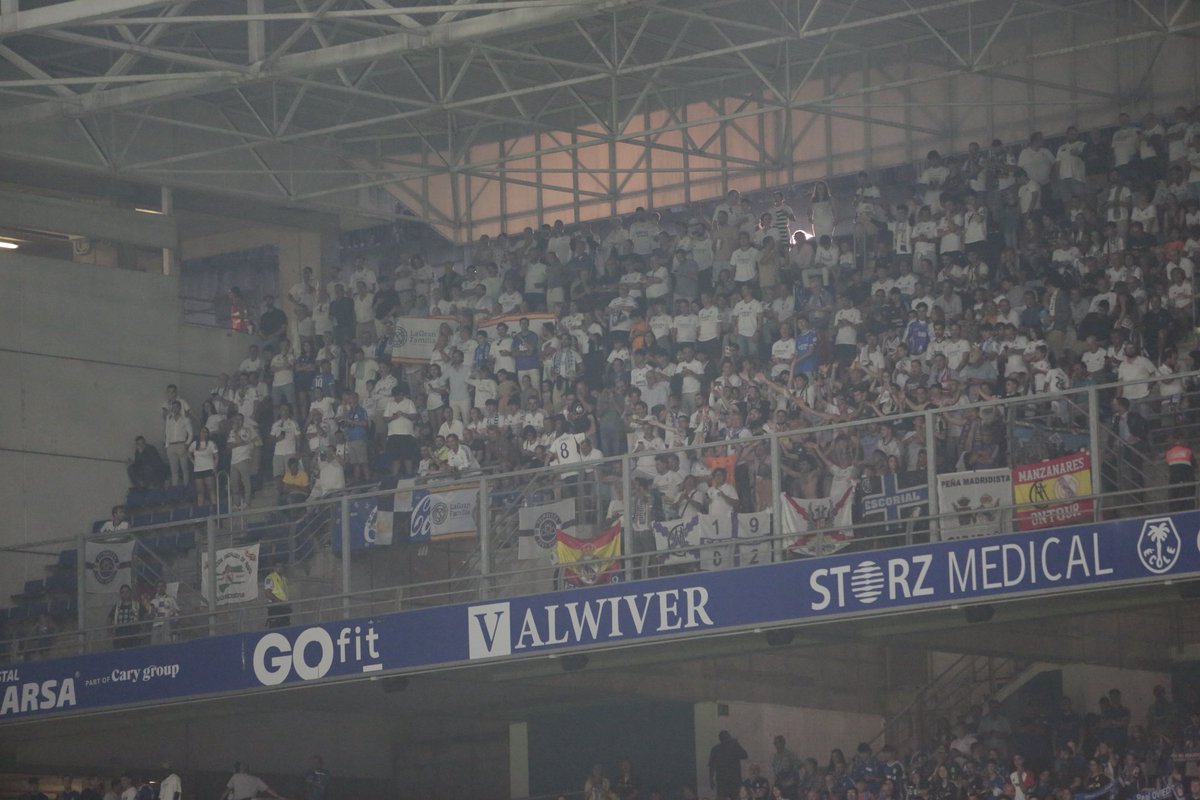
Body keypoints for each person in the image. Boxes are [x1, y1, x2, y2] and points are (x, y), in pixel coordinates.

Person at [709, 730, 749, 800]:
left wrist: (711, 780)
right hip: (730, 781)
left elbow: (745, 756)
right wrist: (736, 744)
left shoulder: (716, 749)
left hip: (728, 781)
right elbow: (745, 755)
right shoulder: (719, 749)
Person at [220, 764, 287, 800]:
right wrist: (279, 797)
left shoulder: (236, 776)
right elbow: (269, 790)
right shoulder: (257, 779)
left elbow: (227, 790)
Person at [108, 584, 143, 649]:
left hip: (134, 635)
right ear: (120, 594)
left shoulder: (137, 605)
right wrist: (110, 633)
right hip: (119, 636)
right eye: (122, 592)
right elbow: (109, 618)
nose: (125, 594)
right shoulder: (116, 607)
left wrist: (142, 631)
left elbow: (145, 616)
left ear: (130, 593)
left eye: (127, 591)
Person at [146, 581, 179, 645]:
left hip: (167, 624)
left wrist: (174, 622)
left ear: (165, 587)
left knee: (167, 645)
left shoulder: (171, 599)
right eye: (158, 586)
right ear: (156, 588)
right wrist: (152, 611)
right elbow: (150, 615)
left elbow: (177, 611)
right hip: (156, 625)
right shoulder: (153, 601)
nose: (160, 588)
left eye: (162, 586)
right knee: (155, 646)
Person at [263, 564, 291, 628]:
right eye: (277, 566)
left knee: (286, 626)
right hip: (275, 607)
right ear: (274, 568)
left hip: (284, 607)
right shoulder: (270, 578)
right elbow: (268, 593)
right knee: (275, 628)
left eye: (281, 566)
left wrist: (287, 603)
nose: (280, 568)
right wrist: (279, 602)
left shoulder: (284, 578)